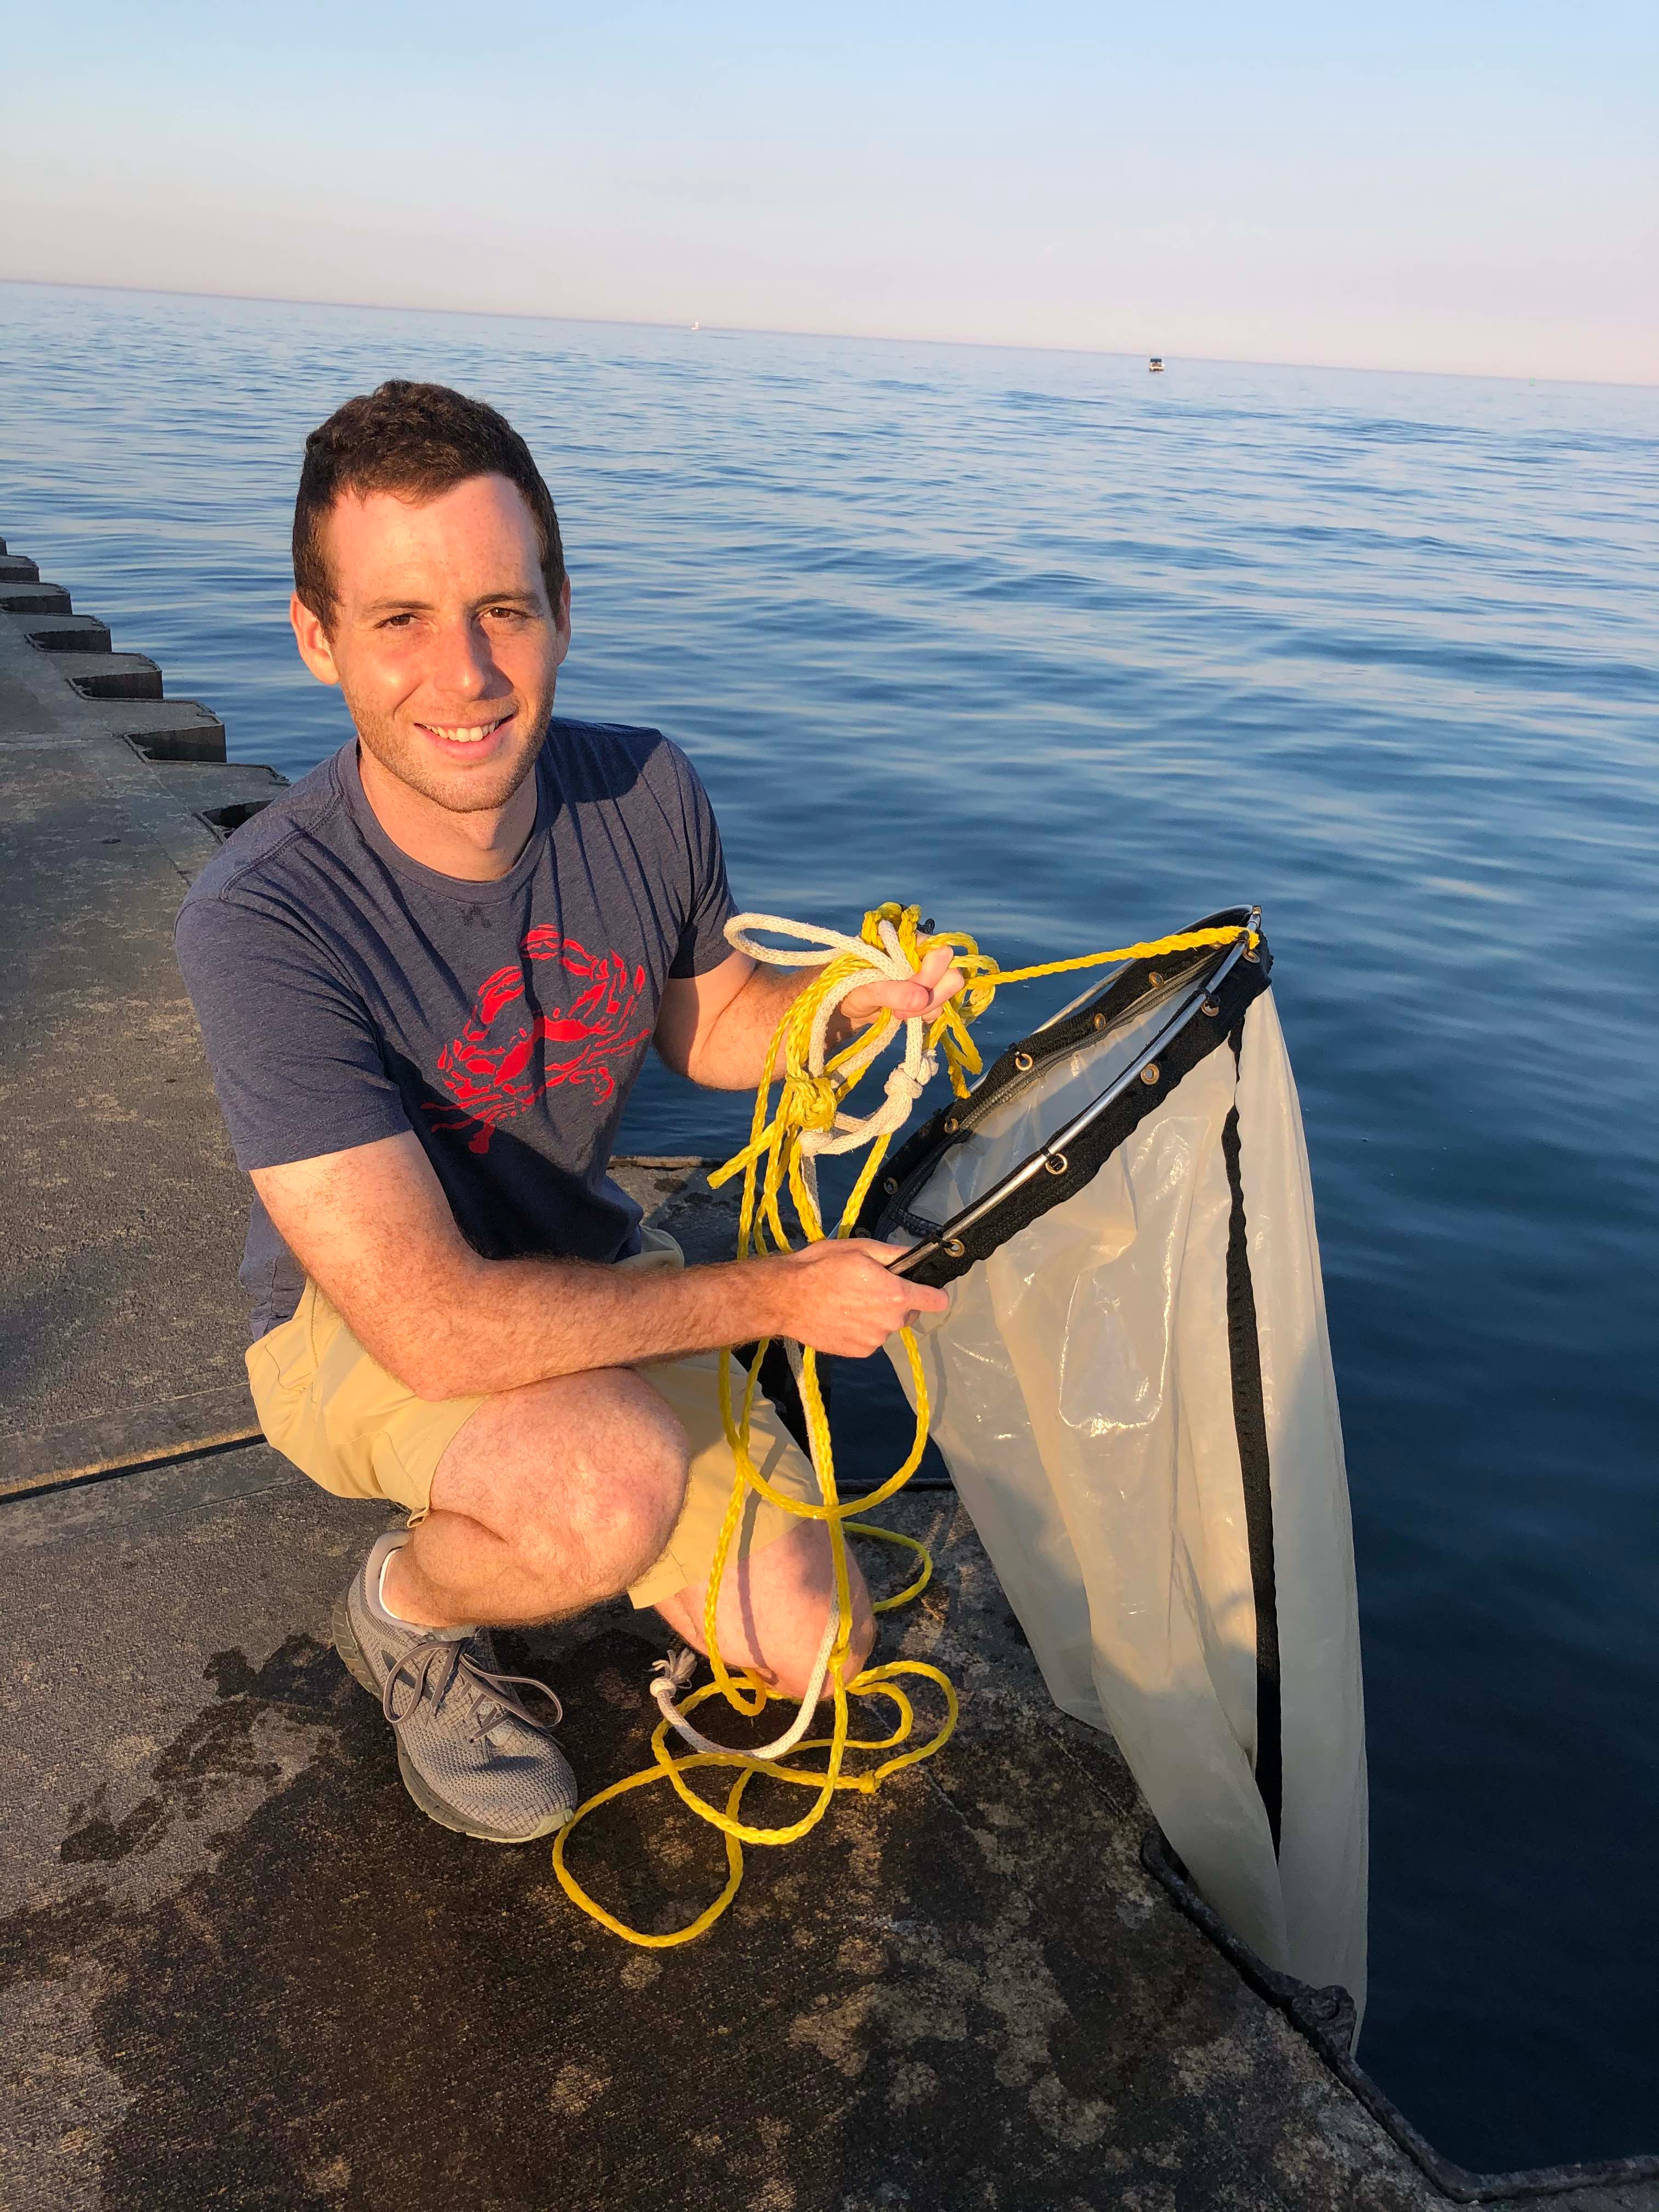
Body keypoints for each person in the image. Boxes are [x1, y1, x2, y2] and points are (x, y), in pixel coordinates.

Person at [174, 380, 961, 1847]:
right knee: (604, 1488)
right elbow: (433, 1329)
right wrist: (783, 1295)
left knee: (823, 1650)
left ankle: (579, 1493)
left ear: (562, 610)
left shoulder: (645, 790)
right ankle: (408, 1607)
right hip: (356, 1322)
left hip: (586, 1271)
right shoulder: (266, 918)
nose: (467, 675)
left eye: (503, 610)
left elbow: (717, 1024)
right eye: (400, 618)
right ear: (317, 636)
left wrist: (851, 1003)